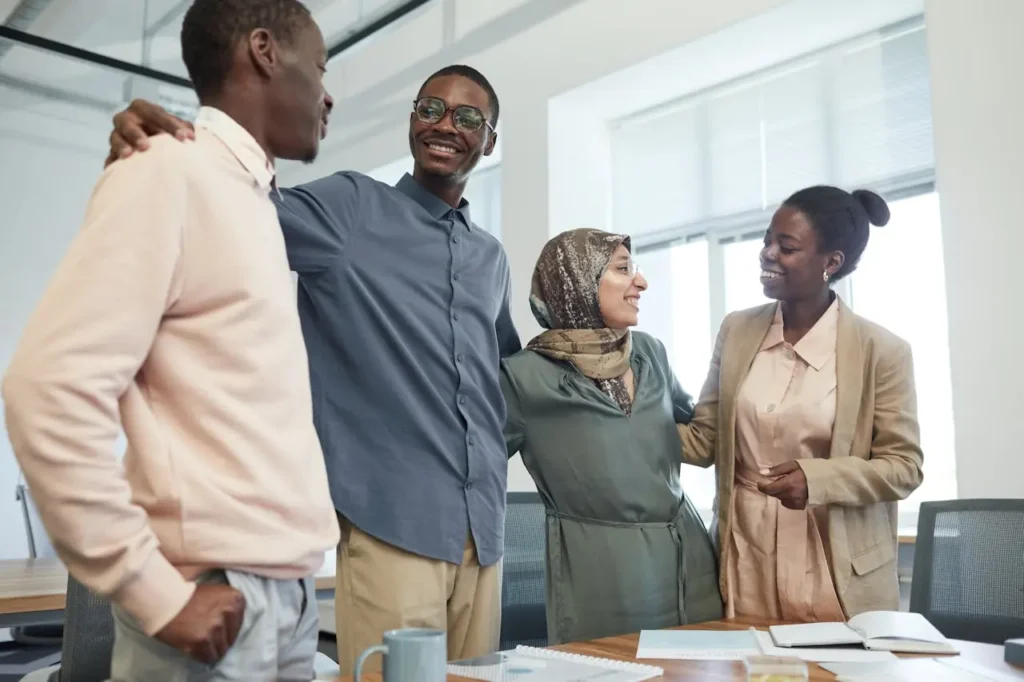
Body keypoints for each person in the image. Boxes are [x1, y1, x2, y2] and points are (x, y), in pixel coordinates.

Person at [103, 65, 519, 673]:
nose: (445, 125)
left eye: (468, 117)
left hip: (486, 532)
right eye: (431, 108)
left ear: (490, 140)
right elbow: (233, 205)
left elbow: (499, 369)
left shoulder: (490, 256)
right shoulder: (350, 208)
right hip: (392, 521)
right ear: (412, 118)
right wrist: (161, 150)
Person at [2, 1, 339, 680]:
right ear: (265, 51)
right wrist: (152, 592)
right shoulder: (165, 171)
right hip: (211, 594)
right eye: (322, 65)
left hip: (287, 592)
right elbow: (48, 388)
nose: (329, 94)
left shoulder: (249, 198)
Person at [679, 186, 924, 622]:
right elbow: (704, 441)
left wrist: (817, 479)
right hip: (744, 554)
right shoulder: (736, 331)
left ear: (832, 262)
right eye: (766, 241)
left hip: (834, 562)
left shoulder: (881, 350)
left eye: (786, 247)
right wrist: (622, 410)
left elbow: (904, 466)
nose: (767, 253)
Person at [500, 228, 723, 644]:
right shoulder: (524, 377)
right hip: (599, 571)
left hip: (687, 562)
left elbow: (697, 433)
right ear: (579, 283)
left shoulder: (650, 352)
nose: (641, 282)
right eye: (623, 269)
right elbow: (477, 463)